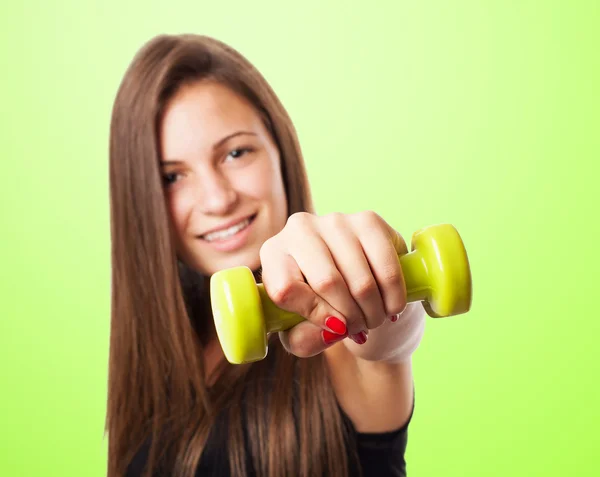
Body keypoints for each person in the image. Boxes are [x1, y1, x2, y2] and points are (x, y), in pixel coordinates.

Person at [105, 33, 426, 477]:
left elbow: (388, 342)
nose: (217, 199)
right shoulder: (162, 355)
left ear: (280, 152)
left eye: (236, 152)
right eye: (172, 177)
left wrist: (383, 291)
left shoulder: (329, 330)